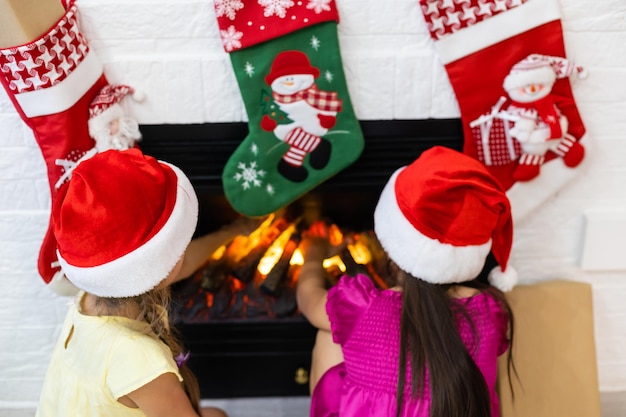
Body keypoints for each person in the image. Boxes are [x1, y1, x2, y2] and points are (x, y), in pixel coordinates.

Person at [36, 148, 262, 417]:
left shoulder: (89, 295)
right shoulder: (139, 359)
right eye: (180, 244)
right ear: (161, 267)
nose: (183, 249)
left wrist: (233, 232)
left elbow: (181, 263)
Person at [296, 146, 518, 417]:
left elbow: (307, 296)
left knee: (329, 333)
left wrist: (314, 251)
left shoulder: (361, 308)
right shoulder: (490, 311)